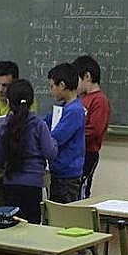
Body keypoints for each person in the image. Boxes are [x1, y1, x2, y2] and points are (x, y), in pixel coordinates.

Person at [0, 79, 57, 255]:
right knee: (30, 226)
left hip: (11, 183)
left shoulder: (5, 127)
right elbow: (51, 152)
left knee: (12, 226)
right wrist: (53, 142)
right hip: (32, 184)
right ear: (31, 102)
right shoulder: (39, 125)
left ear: (9, 103)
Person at [45, 63, 86, 205]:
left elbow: (56, 137)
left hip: (67, 175)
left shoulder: (75, 111)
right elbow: (44, 124)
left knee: (63, 214)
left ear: (62, 85)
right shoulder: (62, 107)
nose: (51, 91)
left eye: (52, 86)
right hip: (58, 171)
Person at [73, 55, 111, 198]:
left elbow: (94, 131)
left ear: (87, 76)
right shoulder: (82, 99)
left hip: (88, 154)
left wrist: (74, 137)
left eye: (76, 79)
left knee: (82, 190)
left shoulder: (100, 100)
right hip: (77, 153)